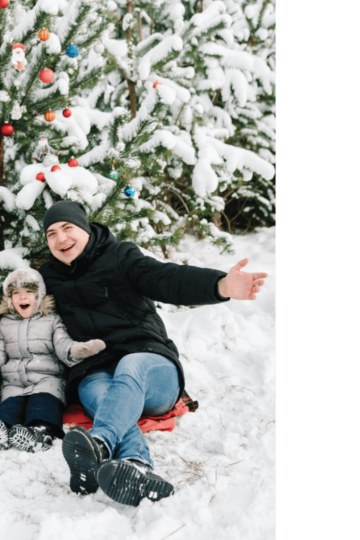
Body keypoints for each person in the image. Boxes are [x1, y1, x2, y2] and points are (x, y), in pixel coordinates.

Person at [37, 200, 269, 507]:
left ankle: (101, 443)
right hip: (95, 369)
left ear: (86, 229)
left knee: (130, 367)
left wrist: (222, 284)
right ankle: (137, 465)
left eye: (68, 228)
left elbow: (166, 278)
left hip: (148, 362)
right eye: (51, 233)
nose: (60, 238)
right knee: (98, 392)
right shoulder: (47, 278)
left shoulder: (121, 256)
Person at [0, 267, 105, 453]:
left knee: (41, 406)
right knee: (8, 408)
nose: (22, 297)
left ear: (39, 295)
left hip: (47, 381)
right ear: (9, 298)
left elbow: (63, 346)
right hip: (14, 384)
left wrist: (80, 349)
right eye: (16, 293)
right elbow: (0, 355)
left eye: (29, 292)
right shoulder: (3, 323)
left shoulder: (51, 320)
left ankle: (39, 432)